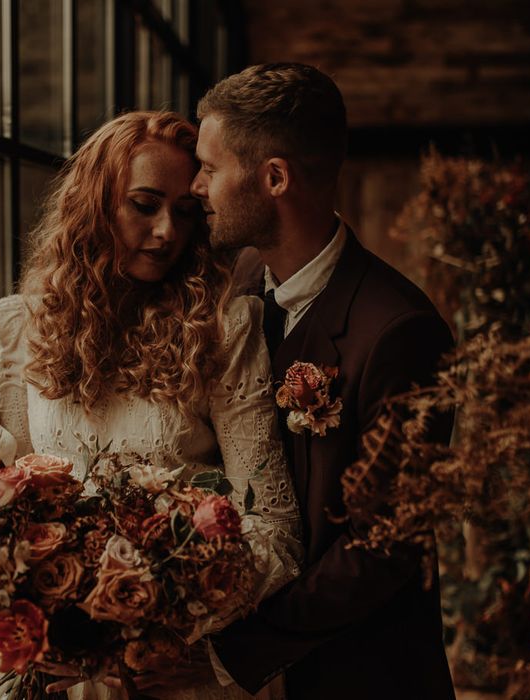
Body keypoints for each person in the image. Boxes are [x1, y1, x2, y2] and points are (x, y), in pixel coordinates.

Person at [0, 110, 302, 700]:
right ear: (96, 206)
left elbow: (275, 529)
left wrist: (165, 623)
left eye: (183, 211)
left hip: (177, 669)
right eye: (144, 205)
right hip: (65, 673)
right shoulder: (31, 321)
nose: (166, 232)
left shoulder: (223, 328)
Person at [189, 64, 456, 699]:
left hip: (358, 677)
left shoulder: (400, 332)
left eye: (210, 167)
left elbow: (384, 547)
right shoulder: (240, 283)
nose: (196, 186)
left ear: (273, 177)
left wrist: (235, 653)